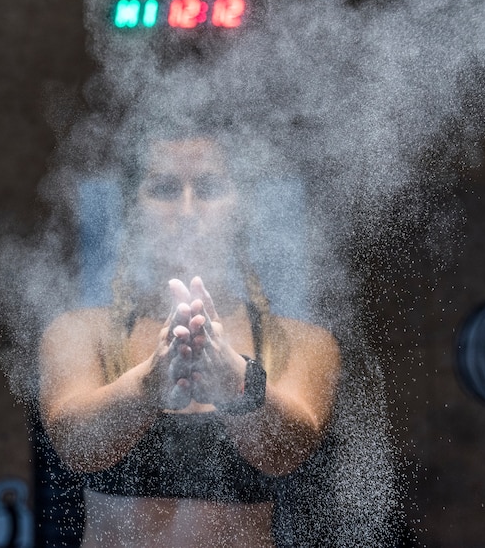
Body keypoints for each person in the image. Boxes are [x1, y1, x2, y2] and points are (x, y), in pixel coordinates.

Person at [38, 131, 341, 547]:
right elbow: (74, 447)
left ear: (243, 207)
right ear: (132, 209)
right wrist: (146, 385)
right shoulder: (79, 333)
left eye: (209, 188)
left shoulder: (303, 343)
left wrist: (237, 380)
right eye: (164, 189)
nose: (187, 210)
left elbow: (286, 451)